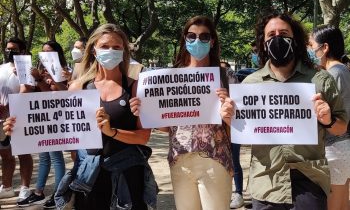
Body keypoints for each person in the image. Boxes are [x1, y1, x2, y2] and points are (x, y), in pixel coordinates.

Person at [243, 11, 347, 209]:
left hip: (309, 180)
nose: (278, 38)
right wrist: (232, 120)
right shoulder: (250, 84)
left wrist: (328, 120)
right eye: (271, 35)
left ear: (295, 39)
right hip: (266, 181)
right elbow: (245, 135)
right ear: (263, 42)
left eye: (284, 33)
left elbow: (340, 129)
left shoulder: (320, 79)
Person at [131, 16, 234, 210]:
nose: (198, 41)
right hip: (180, 160)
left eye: (204, 37)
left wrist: (228, 111)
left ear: (212, 41)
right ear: (184, 40)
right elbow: (167, 127)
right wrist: (144, 113)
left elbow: (237, 127)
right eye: (192, 36)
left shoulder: (224, 76)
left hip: (215, 160)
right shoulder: (171, 77)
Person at [60, 23, 156, 210]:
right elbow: (68, 136)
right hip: (88, 179)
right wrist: (21, 127)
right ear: (94, 49)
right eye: (104, 46)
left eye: (116, 47)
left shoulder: (137, 87)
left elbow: (143, 137)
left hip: (128, 177)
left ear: (123, 51)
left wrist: (111, 132)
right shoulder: (77, 87)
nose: (110, 51)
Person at [16, 40, 67, 208]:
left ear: (58, 54)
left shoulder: (63, 72)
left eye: (50, 52)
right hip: (42, 119)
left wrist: (40, 79)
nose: (46, 55)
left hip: (56, 119)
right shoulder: (40, 71)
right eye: (43, 51)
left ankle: (58, 194)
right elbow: (29, 93)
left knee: (56, 157)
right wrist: (25, 77)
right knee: (44, 156)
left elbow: (53, 95)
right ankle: (38, 192)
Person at [309, 25, 350, 210]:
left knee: (334, 204)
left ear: (324, 48)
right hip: (340, 148)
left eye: (311, 45)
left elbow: (340, 117)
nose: (309, 50)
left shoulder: (334, 75)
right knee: (342, 203)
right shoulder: (341, 71)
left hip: (335, 148)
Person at [0, 38, 33, 201]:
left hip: (19, 117)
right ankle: (6, 187)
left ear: (22, 51)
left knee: (23, 153)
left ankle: (25, 188)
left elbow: (27, 89)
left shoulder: (26, 67)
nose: (9, 52)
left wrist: (12, 106)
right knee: (5, 154)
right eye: (7, 49)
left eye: (12, 49)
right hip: (1, 120)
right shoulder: (1, 68)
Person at [220, 61, 244, 208]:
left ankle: (238, 193)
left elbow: (239, 98)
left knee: (234, 161)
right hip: (214, 129)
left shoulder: (228, 74)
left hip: (232, 125)